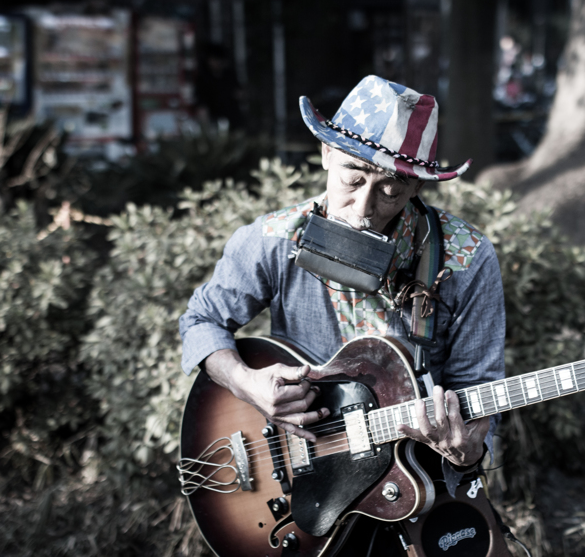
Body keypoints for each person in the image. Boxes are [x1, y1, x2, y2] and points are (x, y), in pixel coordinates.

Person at [179, 74, 506, 553]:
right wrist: (246, 383)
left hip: (415, 483)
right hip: (302, 484)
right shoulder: (273, 240)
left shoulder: (465, 258)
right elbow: (201, 321)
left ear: (415, 185)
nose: (364, 207)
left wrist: (468, 447)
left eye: (390, 190)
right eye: (352, 179)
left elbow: (480, 392)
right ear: (326, 154)